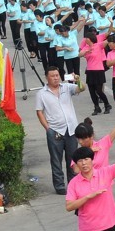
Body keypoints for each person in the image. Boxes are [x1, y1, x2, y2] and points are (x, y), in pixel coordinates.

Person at [36, 66, 85, 195]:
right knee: (56, 160)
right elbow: (39, 112)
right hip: (55, 131)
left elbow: (81, 88)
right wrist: (48, 129)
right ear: (47, 77)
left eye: (57, 75)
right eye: (52, 76)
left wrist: (78, 80)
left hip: (71, 130)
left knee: (72, 159)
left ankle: (73, 184)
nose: (56, 78)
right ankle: (59, 186)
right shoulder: (41, 94)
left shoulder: (67, 88)